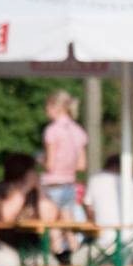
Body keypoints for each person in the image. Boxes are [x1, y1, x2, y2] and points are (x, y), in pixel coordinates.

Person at [41, 89, 88, 223]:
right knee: (67, 225)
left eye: (48, 106)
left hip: (52, 185)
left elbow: (50, 165)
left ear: (57, 107)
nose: (46, 110)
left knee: (50, 226)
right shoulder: (79, 131)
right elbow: (81, 165)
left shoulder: (52, 130)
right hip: (69, 186)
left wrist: (40, 160)